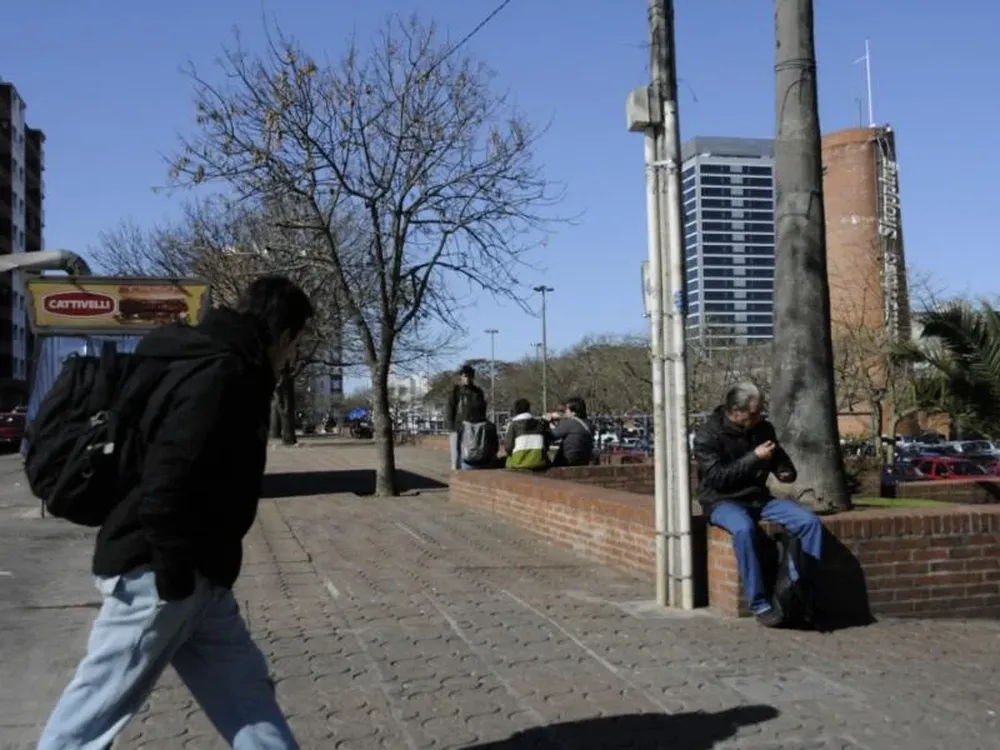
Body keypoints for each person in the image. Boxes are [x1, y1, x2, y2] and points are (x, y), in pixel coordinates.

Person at [38, 275, 313, 749]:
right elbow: (168, 478)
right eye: (294, 346)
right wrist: (172, 577)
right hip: (160, 573)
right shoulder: (224, 373)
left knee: (248, 696)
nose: (290, 358)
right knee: (91, 716)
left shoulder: (200, 356)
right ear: (284, 336)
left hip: (200, 576)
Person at [693, 382, 823, 627]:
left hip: (759, 498)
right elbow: (716, 478)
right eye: (754, 412)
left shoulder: (763, 429)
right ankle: (759, 603)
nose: (758, 416)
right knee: (744, 529)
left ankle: (803, 594)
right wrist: (754, 458)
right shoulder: (708, 436)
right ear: (736, 411)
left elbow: (780, 460)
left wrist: (785, 471)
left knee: (809, 522)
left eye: (760, 411)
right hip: (722, 501)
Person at [445, 364, 487, 470]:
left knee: (470, 453)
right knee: (456, 455)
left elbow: (482, 409)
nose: (467, 378)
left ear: (472, 377)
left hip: (473, 427)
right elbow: (450, 408)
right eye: (464, 376)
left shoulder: (478, 392)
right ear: (461, 377)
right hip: (458, 426)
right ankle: (455, 472)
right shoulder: (456, 391)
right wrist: (451, 427)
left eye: (469, 376)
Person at [545, 396, 594, 467]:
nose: (565, 412)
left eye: (566, 410)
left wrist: (546, 422)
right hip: (584, 460)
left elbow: (550, 436)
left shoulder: (570, 423)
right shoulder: (589, 425)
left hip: (567, 461)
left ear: (573, 413)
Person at [504, 398, 552, 470]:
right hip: (539, 462)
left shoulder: (513, 425)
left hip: (518, 462)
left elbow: (508, 447)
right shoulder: (539, 424)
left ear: (515, 411)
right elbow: (546, 444)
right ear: (529, 409)